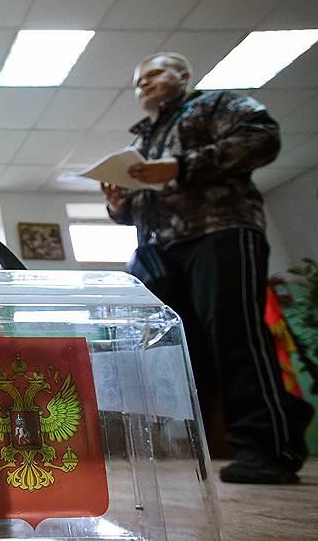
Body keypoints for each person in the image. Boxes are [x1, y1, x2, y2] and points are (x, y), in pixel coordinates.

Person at [103, 52, 314, 484]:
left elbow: (262, 138)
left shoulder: (216, 104)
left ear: (184, 75)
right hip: (163, 253)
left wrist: (180, 166)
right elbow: (149, 200)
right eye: (138, 81)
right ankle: (217, 445)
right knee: (187, 352)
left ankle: (267, 448)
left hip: (221, 232)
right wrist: (121, 207)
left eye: (154, 73)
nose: (144, 84)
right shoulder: (143, 140)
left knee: (236, 338)